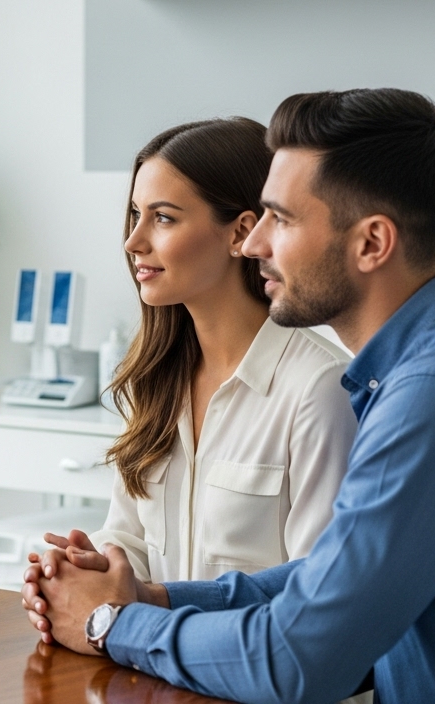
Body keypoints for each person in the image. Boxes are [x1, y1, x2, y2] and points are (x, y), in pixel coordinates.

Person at [23, 88, 435, 702]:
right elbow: (326, 583)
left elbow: (300, 660)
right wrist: (153, 597)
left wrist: (112, 625)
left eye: (281, 219)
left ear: (371, 243)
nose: (255, 243)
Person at [75, 118, 355, 590]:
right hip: (147, 658)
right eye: (135, 214)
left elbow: (317, 591)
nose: (133, 241)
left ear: (241, 232)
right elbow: (130, 540)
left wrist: (154, 606)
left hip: (243, 663)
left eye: (163, 217)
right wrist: (90, 568)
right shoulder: (157, 377)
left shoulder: (321, 388)